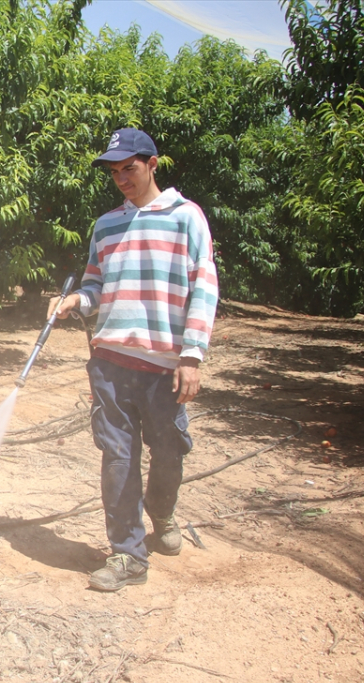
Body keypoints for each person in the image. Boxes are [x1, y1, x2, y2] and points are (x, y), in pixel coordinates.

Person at [49, 127, 219, 592]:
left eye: (130, 168)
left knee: (168, 452)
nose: (122, 178)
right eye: (114, 171)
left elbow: (204, 286)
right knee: (117, 456)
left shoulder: (186, 217)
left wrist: (191, 356)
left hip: (164, 366)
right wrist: (73, 303)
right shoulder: (106, 226)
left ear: (152, 164)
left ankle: (161, 510)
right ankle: (127, 553)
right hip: (110, 362)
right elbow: (94, 285)